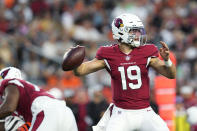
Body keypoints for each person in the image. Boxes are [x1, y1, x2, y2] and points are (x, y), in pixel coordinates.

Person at [73, 13, 176, 131]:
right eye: (133, 31)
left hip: (145, 111)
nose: (138, 34)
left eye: (138, 31)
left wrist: (167, 60)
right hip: (121, 112)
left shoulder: (147, 51)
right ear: (120, 32)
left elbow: (171, 74)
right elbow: (80, 71)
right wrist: (73, 61)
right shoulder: (108, 53)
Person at [0, 67, 78, 131]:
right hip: (65, 111)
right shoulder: (27, 91)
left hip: (46, 112)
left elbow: (8, 108)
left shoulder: (10, 83)